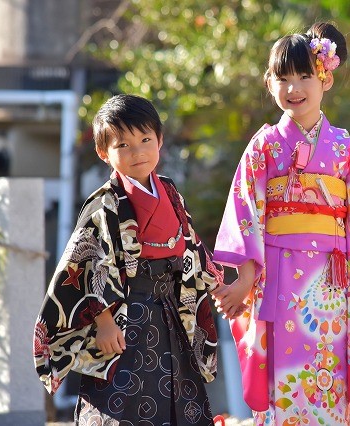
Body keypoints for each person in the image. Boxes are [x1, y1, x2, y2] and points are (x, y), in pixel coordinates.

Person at [212, 21, 350, 425]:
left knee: (327, 374)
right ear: (269, 83)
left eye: (304, 76)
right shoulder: (263, 146)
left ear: (324, 78)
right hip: (277, 272)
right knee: (283, 373)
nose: (294, 87)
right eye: (283, 78)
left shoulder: (344, 147)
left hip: (329, 280)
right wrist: (245, 279)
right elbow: (246, 212)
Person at [33, 94, 223, 425]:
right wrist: (104, 322)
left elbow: (189, 244)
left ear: (160, 140)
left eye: (145, 139)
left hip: (168, 311)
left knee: (179, 397)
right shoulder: (104, 204)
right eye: (123, 145)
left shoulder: (169, 190)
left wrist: (218, 283)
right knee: (121, 404)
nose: (137, 152)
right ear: (103, 152)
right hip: (124, 317)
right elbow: (89, 264)